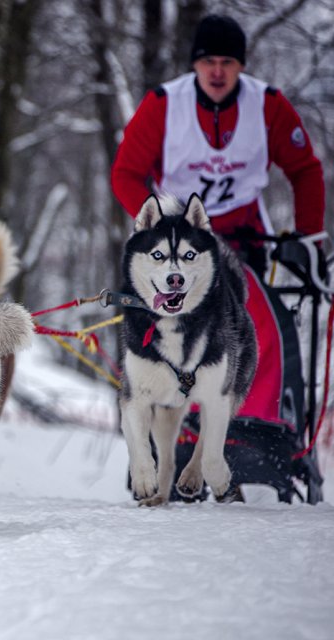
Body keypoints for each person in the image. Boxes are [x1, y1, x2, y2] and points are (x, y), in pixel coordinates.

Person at [111, 14, 326, 497]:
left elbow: (305, 169)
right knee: (156, 320)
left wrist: (308, 238)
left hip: (243, 233)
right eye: (208, 61)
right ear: (196, 65)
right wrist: (157, 221)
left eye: (227, 62)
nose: (217, 71)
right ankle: (175, 431)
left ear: (240, 67)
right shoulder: (166, 104)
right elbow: (125, 173)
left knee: (258, 317)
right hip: (179, 237)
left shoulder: (266, 104)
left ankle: (253, 424)